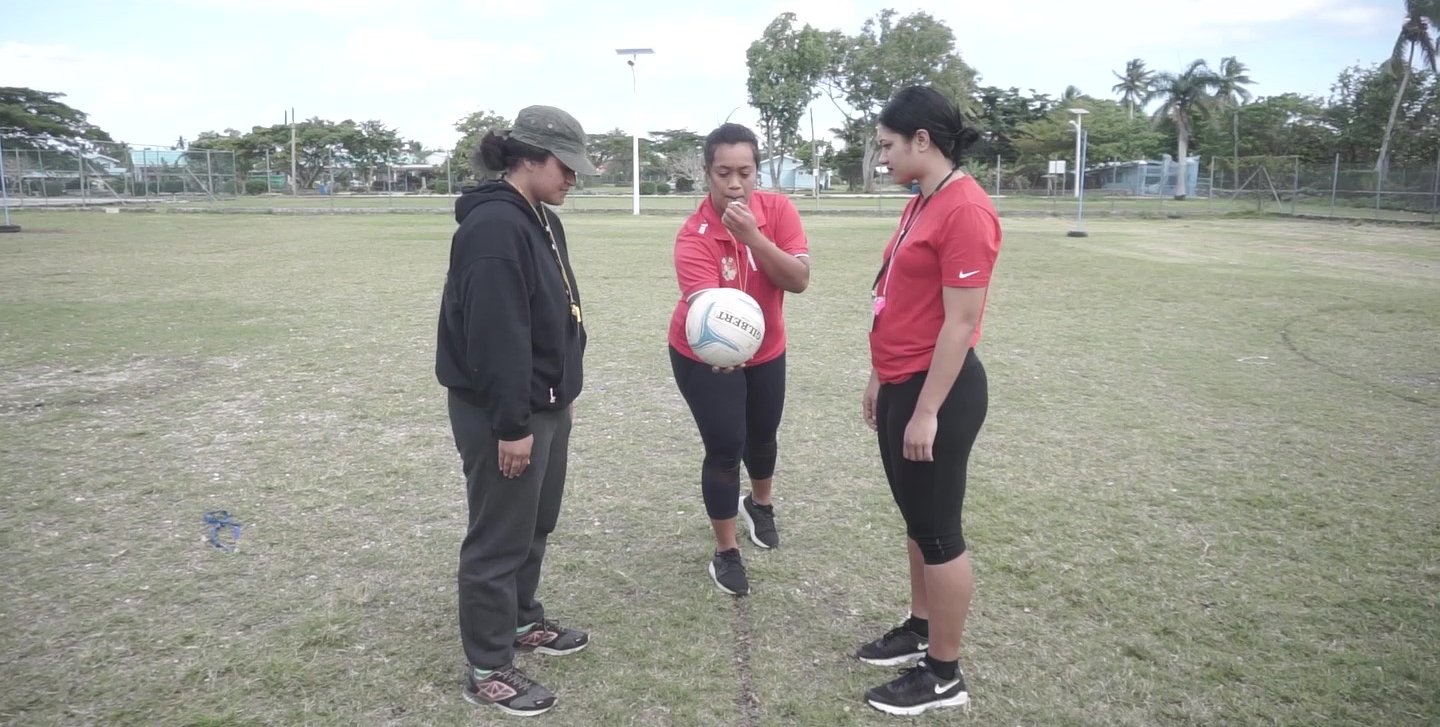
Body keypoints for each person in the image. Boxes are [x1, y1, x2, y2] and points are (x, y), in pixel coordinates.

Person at [435, 105, 598, 717]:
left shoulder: (540, 218)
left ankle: (522, 619)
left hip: (543, 404)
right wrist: (512, 426)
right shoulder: (493, 228)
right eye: (565, 166)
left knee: (536, 520)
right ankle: (488, 665)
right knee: (498, 536)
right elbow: (496, 336)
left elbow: (557, 311)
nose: (572, 179)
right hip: (506, 413)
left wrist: (565, 391)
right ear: (527, 156)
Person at [853, 86, 1002, 716]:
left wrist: (925, 409)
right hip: (903, 380)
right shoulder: (924, 201)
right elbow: (900, 300)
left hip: (936, 390)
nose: (881, 158)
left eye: (887, 145)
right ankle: (920, 628)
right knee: (917, 523)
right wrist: (880, 378)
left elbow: (960, 324)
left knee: (939, 532)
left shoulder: (964, 208)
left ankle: (944, 673)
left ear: (922, 141)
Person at [667, 123, 811, 596]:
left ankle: (761, 505)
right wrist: (719, 346)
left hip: (767, 347)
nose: (734, 184)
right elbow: (709, 306)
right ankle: (726, 552)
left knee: (764, 435)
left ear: (757, 171)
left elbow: (798, 279)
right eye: (723, 172)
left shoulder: (778, 210)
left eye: (745, 172)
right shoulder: (694, 235)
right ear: (707, 172)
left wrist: (754, 237)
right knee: (727, 448)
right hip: (706, 354)